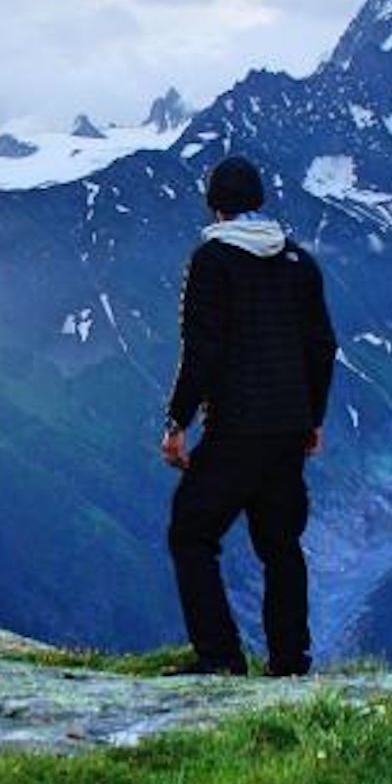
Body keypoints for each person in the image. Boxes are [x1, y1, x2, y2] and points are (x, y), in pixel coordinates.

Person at [160, 156, 337, 676]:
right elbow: (322, 346)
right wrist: (313, 418)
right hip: (287, 430)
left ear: (216, 205)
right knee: (280, 545)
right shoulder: (299, 262)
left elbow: (203, 351)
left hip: (236, 427)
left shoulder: (213, 260)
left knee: (191, 533)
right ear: (257, 202)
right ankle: (289, 661)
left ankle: (220, 658)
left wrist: (176, 424)